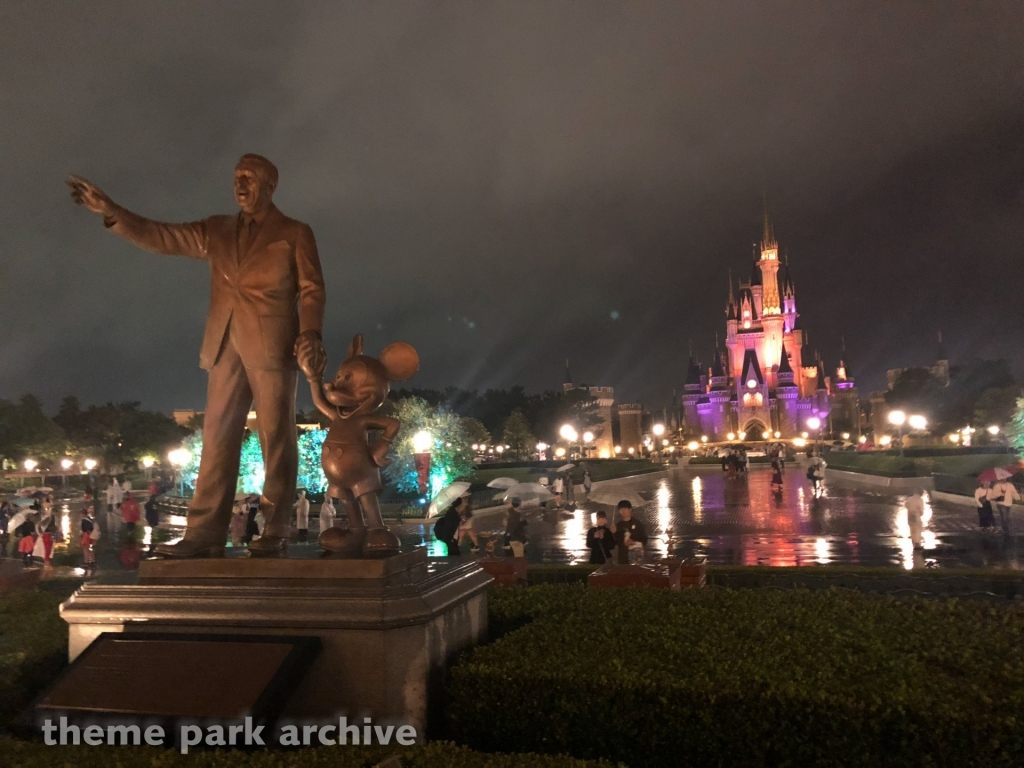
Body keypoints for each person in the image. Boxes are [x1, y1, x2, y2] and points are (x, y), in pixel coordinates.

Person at [70, 154, 327, 558]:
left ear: (270, 185)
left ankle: (274, 531)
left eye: (249, 178)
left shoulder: (294, 232)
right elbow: (163, 237)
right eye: (236, 178)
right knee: (216, 438)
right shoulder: (217, 230)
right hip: (224, 344)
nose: (240, 185)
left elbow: (312, 289)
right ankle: (204, 533)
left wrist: (310, 332)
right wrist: (113, 212)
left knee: (276, 439)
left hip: (273, 347)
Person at [614, 500, 647, 564]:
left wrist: (634, 542)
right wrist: (613, 533)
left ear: (630, 509)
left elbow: (644, 539)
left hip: (636, 556)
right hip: (623, 556)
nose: (623, 511)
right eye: (621, 509)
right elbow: (615, 541)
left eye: (625, 509)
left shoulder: (637, 524)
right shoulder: (618, 525)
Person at [80, 505, 98, 573]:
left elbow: (84, 530)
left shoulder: (84, 521)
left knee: (85, 549)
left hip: (86, 536)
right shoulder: (90, 519)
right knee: (91, 549)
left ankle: (86, 562)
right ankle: (93, 561)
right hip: (92, 536)